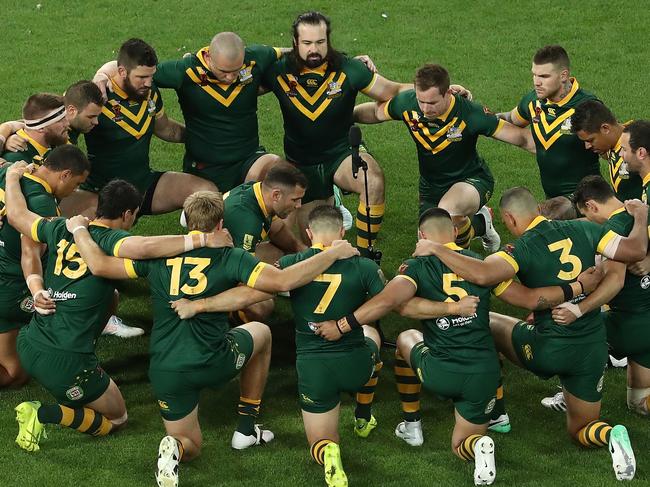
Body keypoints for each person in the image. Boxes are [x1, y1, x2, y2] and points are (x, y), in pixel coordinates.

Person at [67, 190, 360, 487]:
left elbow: (100, 266)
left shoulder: (157, 257)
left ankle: (174, 449)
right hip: (214, 358)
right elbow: (283, 281)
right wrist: (332, 252)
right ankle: (246, 428)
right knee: (261, 333)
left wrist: (79, 229)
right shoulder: (232, 256)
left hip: (166, 369)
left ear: (187, 223)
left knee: (189, 445)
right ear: (221, 224)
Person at [411, 187, 648, 480]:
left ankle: (495, 410)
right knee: (581, 429)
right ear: (536, 207)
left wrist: (436, 248)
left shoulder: (519, 249)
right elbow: (635, 250)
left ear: (508, 218)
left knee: (490, 323)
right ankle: (611, 435)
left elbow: (485, 275)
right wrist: (640, 218)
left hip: (548, 349)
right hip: (592, 348)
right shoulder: (585, 227)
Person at [7, 170, 234, 453]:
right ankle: (43, 413)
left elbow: (17, 215)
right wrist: (203, 240)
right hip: (66, 359)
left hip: (30, 341)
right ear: (127, 214)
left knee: (111, 297)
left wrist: (13, 178)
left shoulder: (61, 226)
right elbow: (145, 246)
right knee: (117, 418)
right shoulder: (110, 241)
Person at [262, 11, 411, 254]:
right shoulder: (277, 71)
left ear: (328, 40)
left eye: (320, 42)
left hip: (340, 154)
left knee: (370, 178)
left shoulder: (350, 68)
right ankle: (334, 201)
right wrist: (200, 62)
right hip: (301, 163)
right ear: (295, 43)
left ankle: (366, 255)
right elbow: (236, 76)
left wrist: (437, 91)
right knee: (313, 243)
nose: (314, 50)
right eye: (307, 43)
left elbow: (392, 90)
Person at [354, 63, 536, 252]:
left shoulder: (470, 113)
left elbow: (522, 139)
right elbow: (376, 112)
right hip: (431, 187)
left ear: (448, 93)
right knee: (429, 242)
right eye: (421, 101)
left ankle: (461, 263)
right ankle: (481, 224)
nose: (425, 108)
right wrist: (344, 116)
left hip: (471, 180)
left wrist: (558, 149)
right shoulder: (407, 103)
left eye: (432, 103)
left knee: (447, 212)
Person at [63, 38, 216, 218]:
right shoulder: (99, 95)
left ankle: (202, 243)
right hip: (102, 193)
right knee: (69, 222)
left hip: (143, 185)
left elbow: (167, 129)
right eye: (142, 77)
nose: (149, 83)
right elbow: (65, 123)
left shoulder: (149, 92)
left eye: (151, 76)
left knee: (207, 193)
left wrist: (202, 137)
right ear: (122, 71)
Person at [542, 176, 650, 414]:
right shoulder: (640, 213)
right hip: (647, 321)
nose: (588, 220)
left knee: (572, 331)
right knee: (639, 404)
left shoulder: (613, 230)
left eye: (587, 214)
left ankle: (569, 394)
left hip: (629, 324)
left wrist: (579, 309)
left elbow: (616, 282)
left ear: (591, 205)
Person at [0, 146, 89, 388]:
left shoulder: (13, 170)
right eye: (77, 183)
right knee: (16, 372)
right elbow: (30, 254)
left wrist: (9, 128)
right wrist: (37, 289)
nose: (75, 191)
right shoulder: (41, 203)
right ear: (65, 174)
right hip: (10, 286)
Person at [497, 45, 601, 219]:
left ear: (563, 75)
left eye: (544, 76)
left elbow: (612, 147)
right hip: (553, 198)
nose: (536, 82)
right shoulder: (533, 101)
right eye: (534, 75)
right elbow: (510, 118)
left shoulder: (587, 108)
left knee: (538, 224)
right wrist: (473, 111)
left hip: (585, 197)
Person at [222, 161, 308, 322]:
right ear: (276, 195)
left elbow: (278, 231)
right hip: (216, 271)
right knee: (263, 306)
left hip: (231, 254)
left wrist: (305, 252)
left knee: (284, 255)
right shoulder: (246, 220)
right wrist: (278, 283)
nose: (299, 206)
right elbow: (242, 273)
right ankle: (229, 315)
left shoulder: (260, 193)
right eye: (295, 200)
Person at [570, 100, 642, 202]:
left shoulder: (638, 147)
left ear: (605, 128)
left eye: (591, 140)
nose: (587, 146)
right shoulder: (613, 143)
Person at [1, 93, 70, 163]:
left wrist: (8, 126)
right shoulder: (16, 158)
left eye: (65, 118)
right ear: (40, 128)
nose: (67, 123)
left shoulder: (54, 139)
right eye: (59, 121)